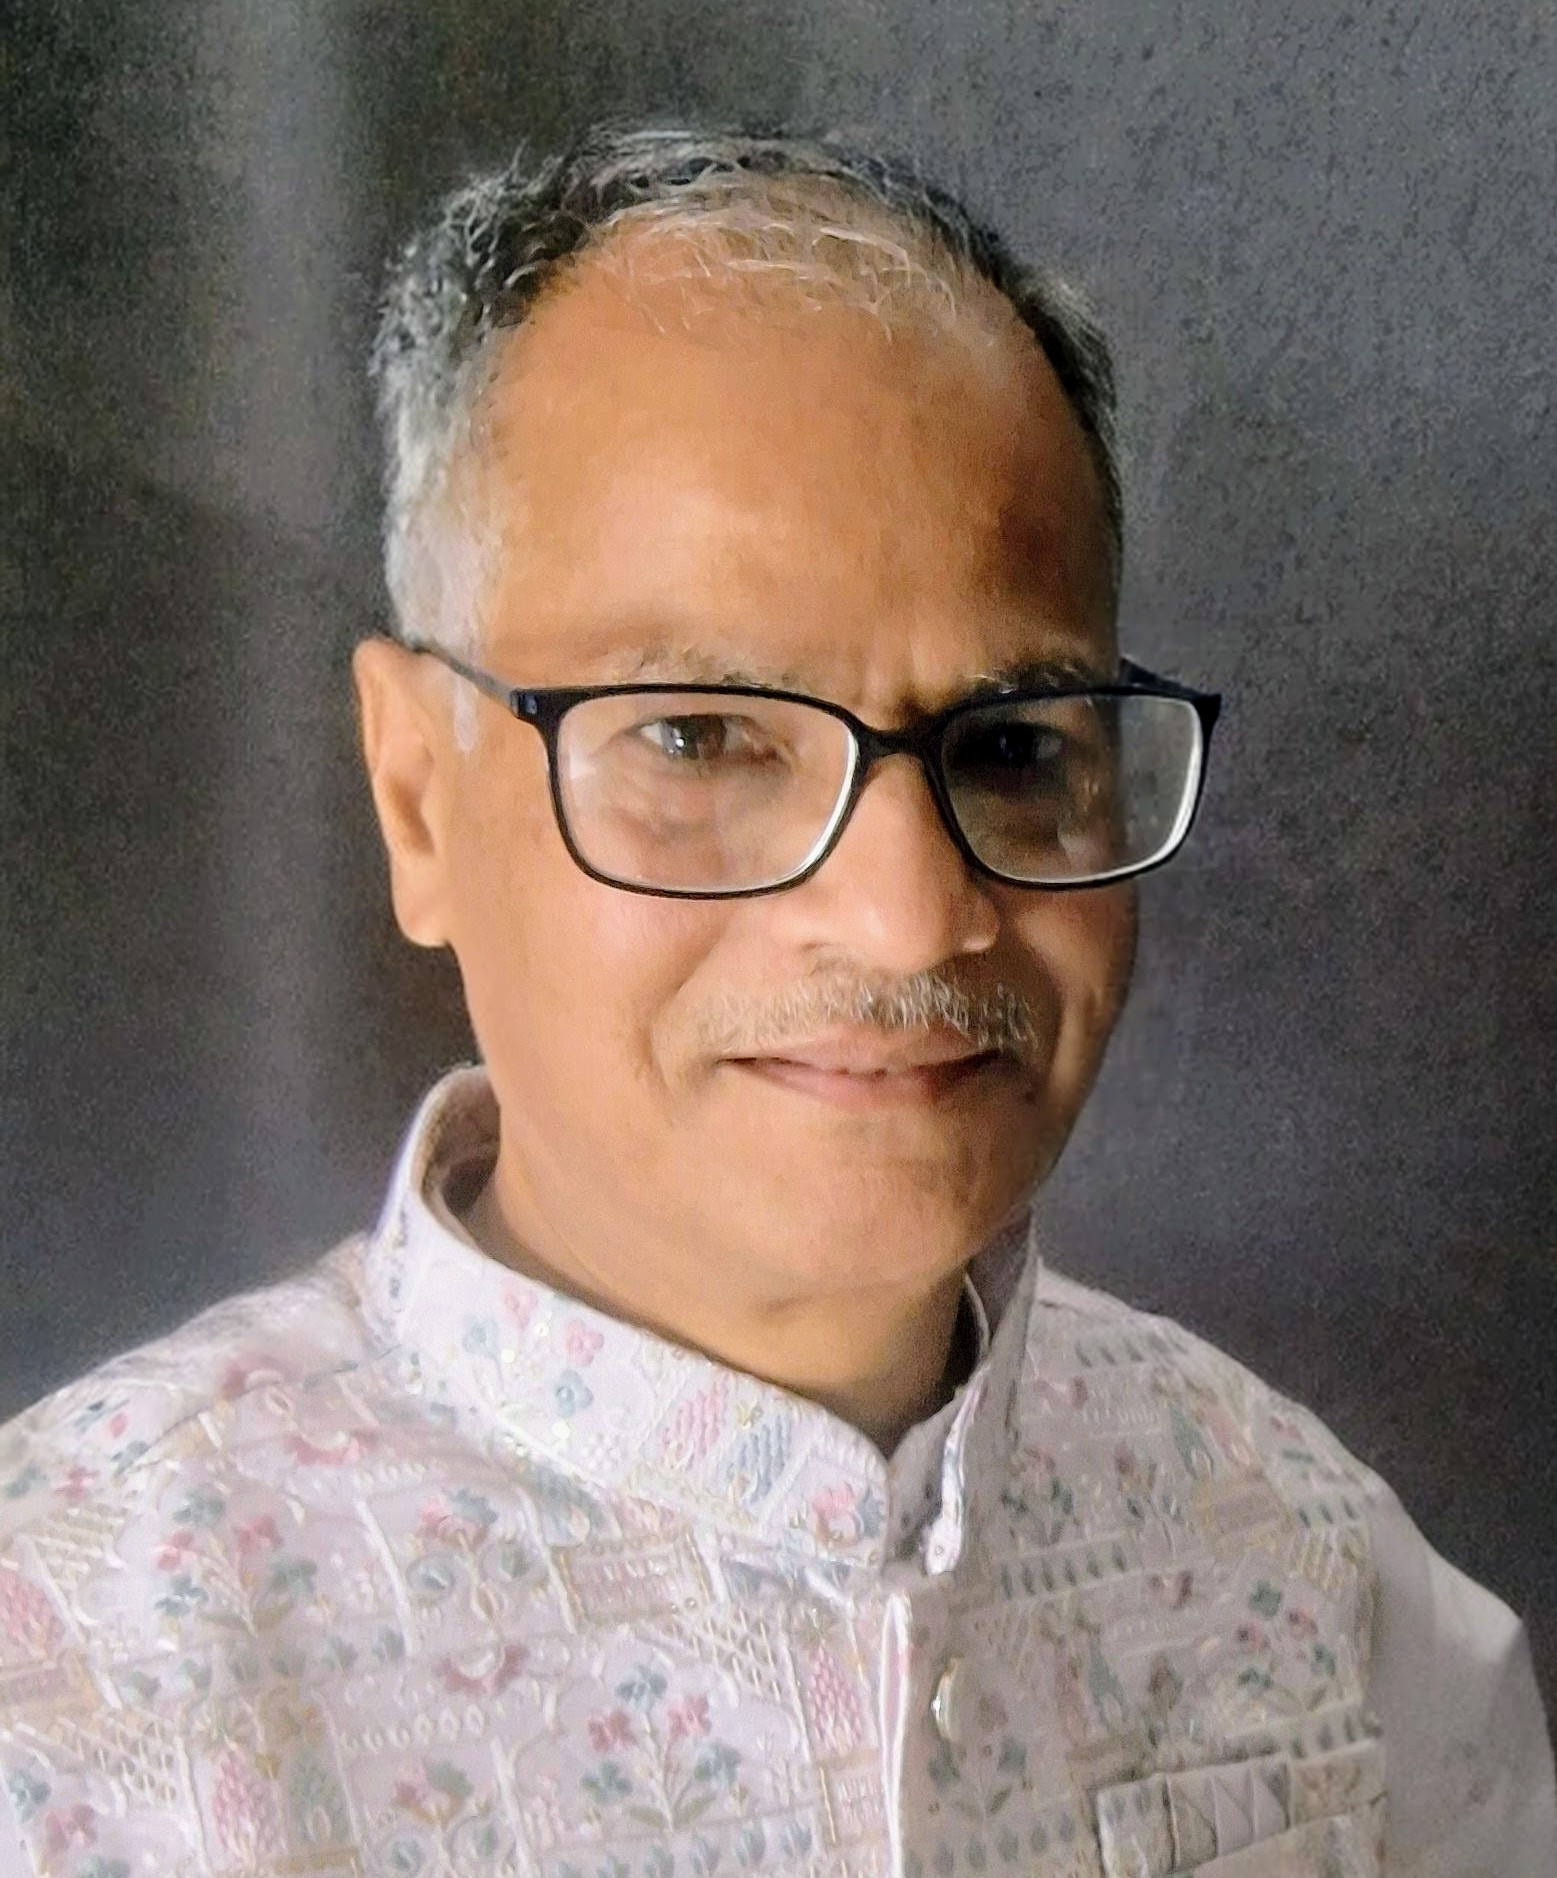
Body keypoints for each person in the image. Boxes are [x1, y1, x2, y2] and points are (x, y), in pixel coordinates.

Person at [0, 124, 1550, 1878]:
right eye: (699, 735)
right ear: (416, 795)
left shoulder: (1313, 1578)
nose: (910, 912)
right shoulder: (71, 1702)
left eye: (1011, 745)